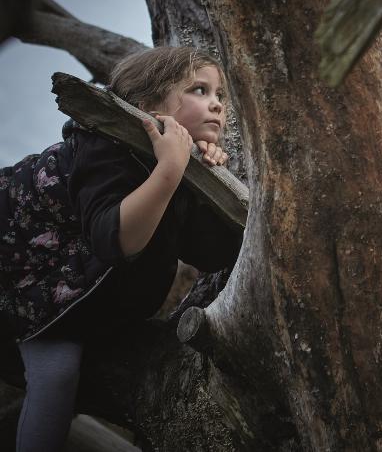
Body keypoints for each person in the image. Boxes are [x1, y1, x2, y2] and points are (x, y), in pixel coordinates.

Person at [0, 46, 243, 452]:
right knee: (57, 377)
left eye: (219, 95)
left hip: (84, 300)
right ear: (147, 104)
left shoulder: (183, 168)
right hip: (22, 280)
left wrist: (211, 183)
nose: (217, 103)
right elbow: (115, 239)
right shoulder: (101, 146)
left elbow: (214, 253)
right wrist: (169, 170)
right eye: (199, 90)